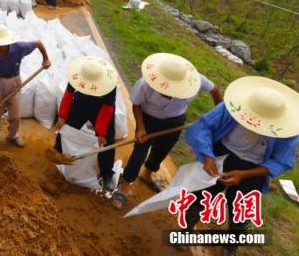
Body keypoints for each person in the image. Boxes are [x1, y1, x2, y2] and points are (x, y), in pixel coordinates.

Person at [184, 77, 298, 253]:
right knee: (202, 194)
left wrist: (244, 175)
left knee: (241, 211)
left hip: (253, 169)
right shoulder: (233, 107)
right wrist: (208, 155)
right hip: (221, 155)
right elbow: (203, 127)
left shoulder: (286, 130)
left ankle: (230, 246)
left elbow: (281, 161)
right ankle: (186, 230)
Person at [112, 53, 222, 209]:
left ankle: (147, 174)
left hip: (175, 121)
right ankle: (125, 186)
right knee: (140, 151)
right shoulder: (145, 84)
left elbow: (214, 89)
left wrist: (220, 115)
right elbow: (136, 105)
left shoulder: (195, 81)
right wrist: (141, 128)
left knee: (163, 150)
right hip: (148, 120)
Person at [0, 25, 51, 149]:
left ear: (5, 43)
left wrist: (46, 59)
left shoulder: (19, 48)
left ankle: (13, 135)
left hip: (15, 82)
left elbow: (38, 43)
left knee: (15, 115)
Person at [55, 56, 120, 191]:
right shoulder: (78, 75)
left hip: (101, 106)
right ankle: (58, 150)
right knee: (67, 127)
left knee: (107, 139)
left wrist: (101, 133)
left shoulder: (109, 84)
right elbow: (68, 94)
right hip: (82, 101)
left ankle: (106, 173)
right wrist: (62, 118)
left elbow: (108, 108)